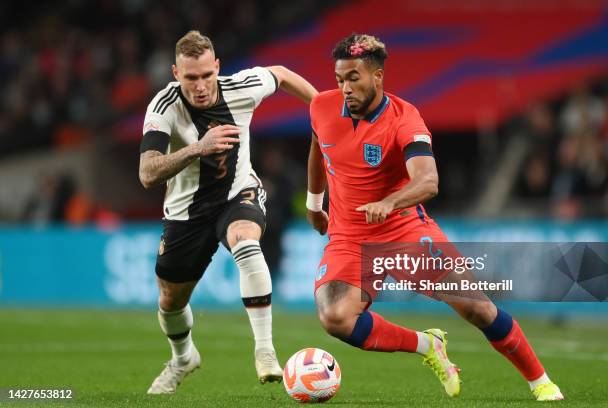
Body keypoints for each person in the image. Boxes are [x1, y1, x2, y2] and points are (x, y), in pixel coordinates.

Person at [306, 34, 563, 402]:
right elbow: (318, 148)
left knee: (477, 307)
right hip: (348, 237)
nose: (345, 87)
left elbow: (428, 181)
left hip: (403, 229)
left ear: (377, 77)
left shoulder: (404, 118)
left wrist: (391, 203)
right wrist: (315, 204)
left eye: (354, 78)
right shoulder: (322, 107)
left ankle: (540, 381)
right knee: (335, 317)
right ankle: (428, 345)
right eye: (340, 79)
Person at [139, 30, 318, 394]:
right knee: (170, 301)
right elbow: (147, 172)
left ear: (217, 67)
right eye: (191, 77)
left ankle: (266, 351)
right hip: (186, 213)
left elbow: (281, 73)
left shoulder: (242, 87)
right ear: (176, 73)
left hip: (239, 193)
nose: (201, 85)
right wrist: (197, 148)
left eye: (207, 75)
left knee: (244, 238)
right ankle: (183, 358)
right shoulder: (163, 107)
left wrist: (323, 108)